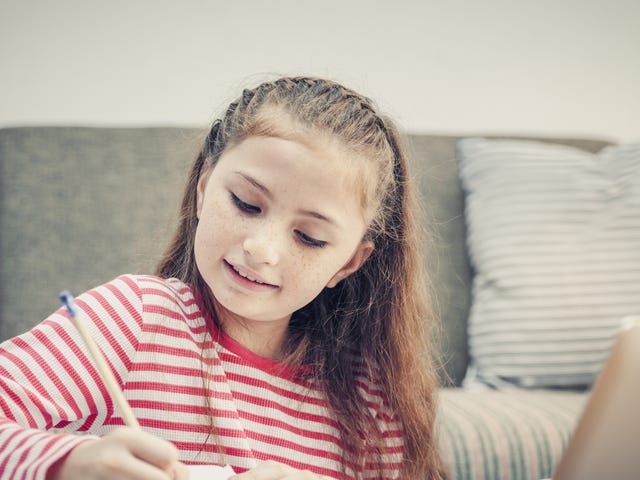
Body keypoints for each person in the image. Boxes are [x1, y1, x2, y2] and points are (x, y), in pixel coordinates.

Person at [0, 77, 445, 480]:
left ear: (349, 263)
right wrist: (66, 464)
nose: (262, 249)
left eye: (309, 237)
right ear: (204, 187)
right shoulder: (133, 318)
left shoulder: (368, 402)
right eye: (246, 204)